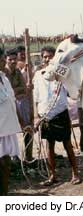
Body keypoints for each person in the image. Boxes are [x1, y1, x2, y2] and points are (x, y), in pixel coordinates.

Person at [33, 46, 81, 186]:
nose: (47, 59)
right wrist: (36, 116)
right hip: (45, 115)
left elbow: (71, 87)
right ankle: (52, 175)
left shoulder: (61, 71)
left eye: (50, 56)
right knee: (49, 146)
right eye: (45, 56)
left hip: (60, 112)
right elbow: (35, 97)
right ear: (42, 58)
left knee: (67, 144)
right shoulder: (38, 74)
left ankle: (75, 173)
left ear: (54, 58)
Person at [3, 48, 33, 161]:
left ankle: (28, 156)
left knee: (26, 126)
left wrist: (14, 91)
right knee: (9, 132)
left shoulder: (17, 71)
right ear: (5, 60)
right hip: (7, 106)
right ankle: (12, 156)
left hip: (18, 102)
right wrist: (15, 91)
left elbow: (24, 89)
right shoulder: (3, 73)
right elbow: (7, 93)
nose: (13, 62)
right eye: (10, 59)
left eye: (14, 59)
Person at [0, 48, 21, 195]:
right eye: (1, 60)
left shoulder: (4, 78)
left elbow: (12, 101)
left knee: (6, 164)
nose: (3, 63)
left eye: (2, 60)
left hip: (8, 129)